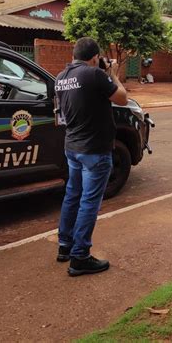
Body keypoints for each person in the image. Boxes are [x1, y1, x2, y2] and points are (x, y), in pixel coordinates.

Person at [55, 37, 128, 276]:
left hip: (72, 147)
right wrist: (114, 74)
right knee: (88, 201)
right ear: (95, 57)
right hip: (94, 150)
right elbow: (122, 97)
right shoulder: (94, 75)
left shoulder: (61, 78)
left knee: (72, 195)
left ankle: (65, 246)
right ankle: (80, 256)